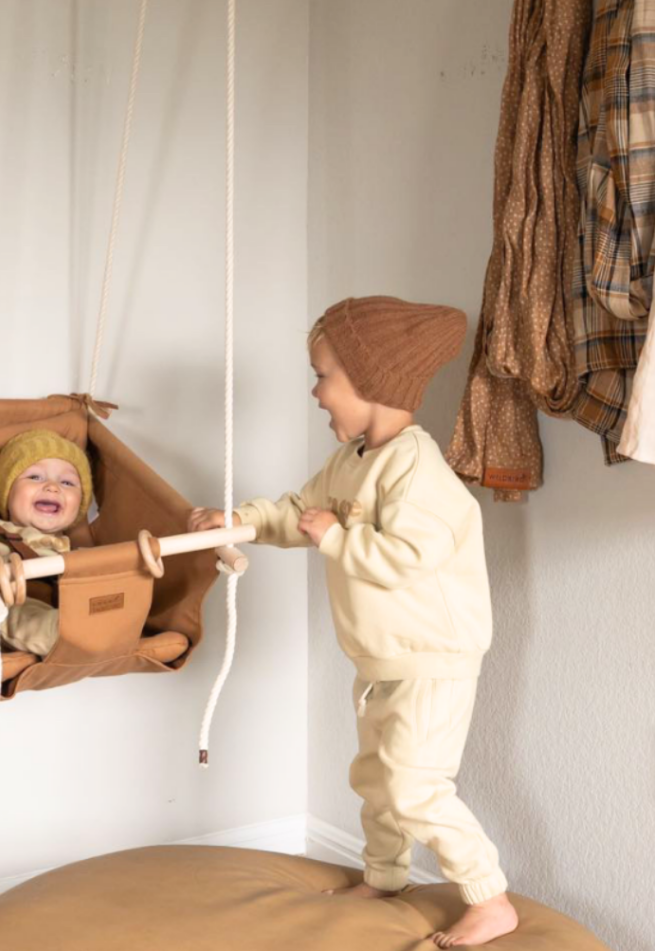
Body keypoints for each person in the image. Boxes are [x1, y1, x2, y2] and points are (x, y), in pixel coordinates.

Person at [190, 296, 517, 947]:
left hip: (433, 659)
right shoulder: (351, 462)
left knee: (416, 785)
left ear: (372, 382)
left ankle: (490, 897)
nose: (315, 393)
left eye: (323, 376)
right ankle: (386, 875)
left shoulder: (418, 470)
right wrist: (243, 522)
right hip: (380, 659)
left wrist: (337, 538)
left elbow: (409, 557)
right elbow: (298, 512)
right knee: (376, 778)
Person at [0, 429, 92, 657]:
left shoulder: (76, 550)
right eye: (35, 477)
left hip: (68, 605)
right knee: (22, 616)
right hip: (13, 604)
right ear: (8, 494)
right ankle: (66, 636)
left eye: (68, 482)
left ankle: (99, 628)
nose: (53, 487)